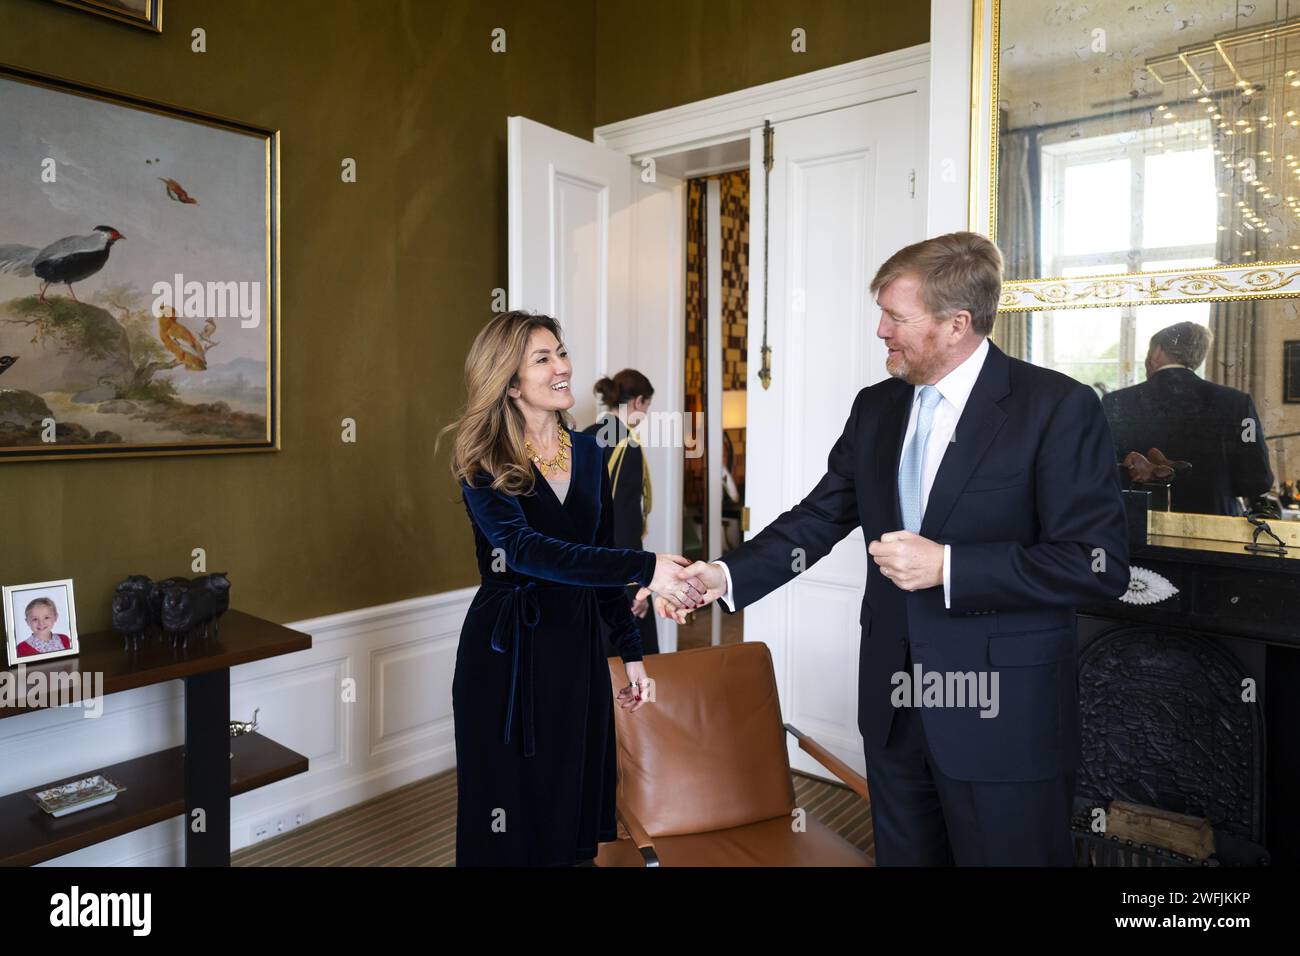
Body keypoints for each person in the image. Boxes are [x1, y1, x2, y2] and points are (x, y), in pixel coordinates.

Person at [663, 231, 1131, 865]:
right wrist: (724, 574)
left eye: (895, 316)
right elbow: (822, 515)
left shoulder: (1056, 407)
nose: (880, 331)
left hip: (1004, 717)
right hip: (894, 708)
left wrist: (949, 566)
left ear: (957, 323)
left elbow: (1095, 565)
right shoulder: (877, 407)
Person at [439, 310, 696, 867]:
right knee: (506, 814)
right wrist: (646, 565)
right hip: (508, 654)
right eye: (543, 358)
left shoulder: (590, 452)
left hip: (577, 649)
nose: (563, 367)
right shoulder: (482, 459)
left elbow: (597, 559)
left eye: (561, 352)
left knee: (568, 804)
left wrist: (631, 656)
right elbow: (526, 552)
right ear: (509, 382)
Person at [1101, 321, 1274, 516]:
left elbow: (1099, 474)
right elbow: (1259, 481)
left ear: (1156, 353)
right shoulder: (1237, 402)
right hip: (1214, 526)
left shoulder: (1115, 401)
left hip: (1136, 525)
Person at [583, 369, 659, 655]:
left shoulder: (584, 437)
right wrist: (637, 584)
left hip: (583, 567)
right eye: (647, 407)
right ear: (638, 401)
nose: (646, 416)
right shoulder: (628, 445)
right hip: (617, 574)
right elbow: (626, 524)